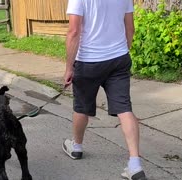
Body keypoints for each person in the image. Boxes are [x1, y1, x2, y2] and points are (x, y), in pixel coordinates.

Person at [62, 0, 147, 180]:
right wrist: (122, 51)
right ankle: (134, 164)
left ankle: (76, 146)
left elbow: (74, 32)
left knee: (81, 107)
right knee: (125, 108)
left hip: (88, 61)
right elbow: (130, 28)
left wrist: (69, 68)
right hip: (118, 58)